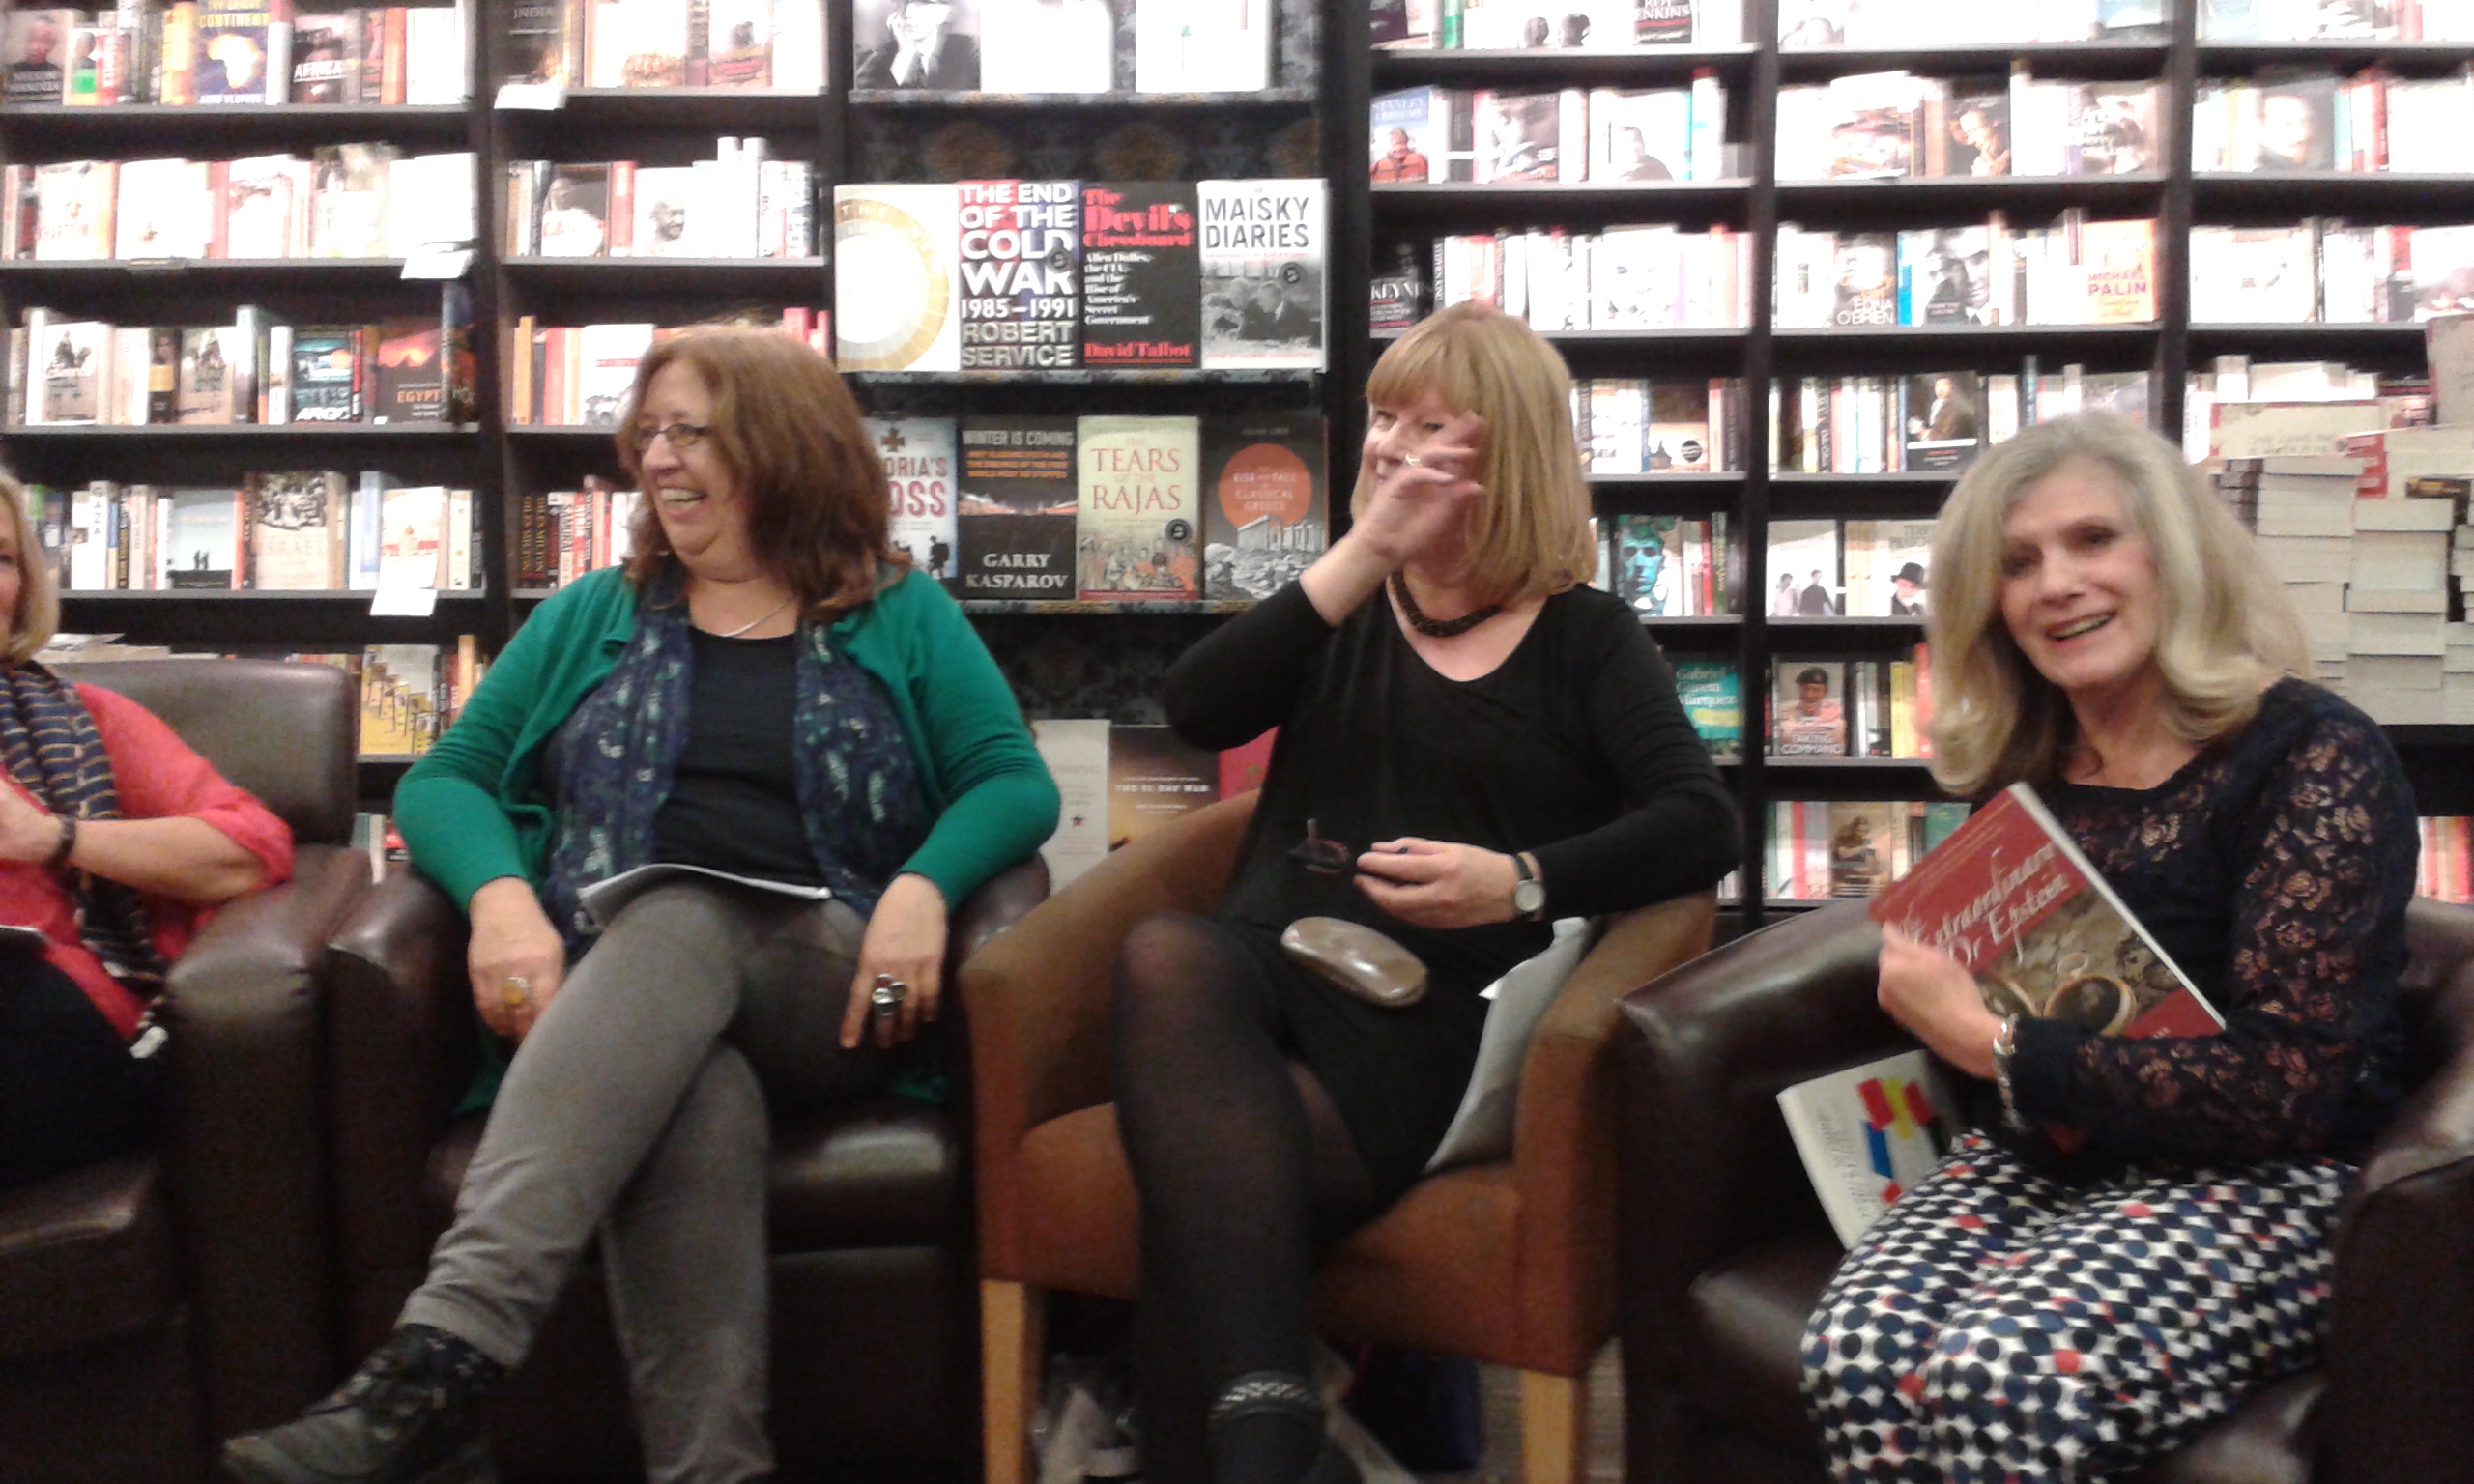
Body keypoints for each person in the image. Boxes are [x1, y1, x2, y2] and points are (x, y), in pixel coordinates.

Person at [223, 327, 1058, 1484]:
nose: (659, 459)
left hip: (825, 982)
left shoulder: (898, 612)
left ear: (785, 447)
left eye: (693, 433)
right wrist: (503, 904)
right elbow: (446, 777)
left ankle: (445, 1357)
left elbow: (1013, 782)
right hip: (625, 1002)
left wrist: (923, 886)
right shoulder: (590, 614)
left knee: (679, 911)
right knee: (691, 1094)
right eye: (649, 433)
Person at [1109, 301, 1738, 1484]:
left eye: (1430, 426)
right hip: (1264, 973)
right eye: (1383, 417)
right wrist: (1365, 553)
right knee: (1164, 953)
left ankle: (1248, 1443)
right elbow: (1195, 709)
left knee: (1198, 1191)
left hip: (1424, 1019)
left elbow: (1701, 823)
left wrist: (1523, 882)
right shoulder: (1341, 604)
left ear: (1508, 458)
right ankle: (1275, 1437)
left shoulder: (1584, 638)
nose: (1392, 445)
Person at [1800, 413, 2418, 1482]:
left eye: (2093, 539)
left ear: (2171, 555)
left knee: (2007, 1371)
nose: (2056, 585)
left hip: (2271, 1177)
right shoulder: (2031, 772)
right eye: (2017, 563)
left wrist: (1990, 1045)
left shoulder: (2314, 754)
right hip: (2065, 1151)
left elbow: (2293, 1086)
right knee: (1855, 1350)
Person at [0, 469, 294, 1195]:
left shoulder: (83, 722)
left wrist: (52, 838)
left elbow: (250, 850)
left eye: (1, 559)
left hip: (51, 1025)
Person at [854, 0, 979, 89]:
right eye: (903, 3)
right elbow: (869, 107)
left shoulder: (968, 50)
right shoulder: (877, 57)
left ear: (943, 14)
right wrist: (904, 53)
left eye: (921, 4)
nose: (907, 14)